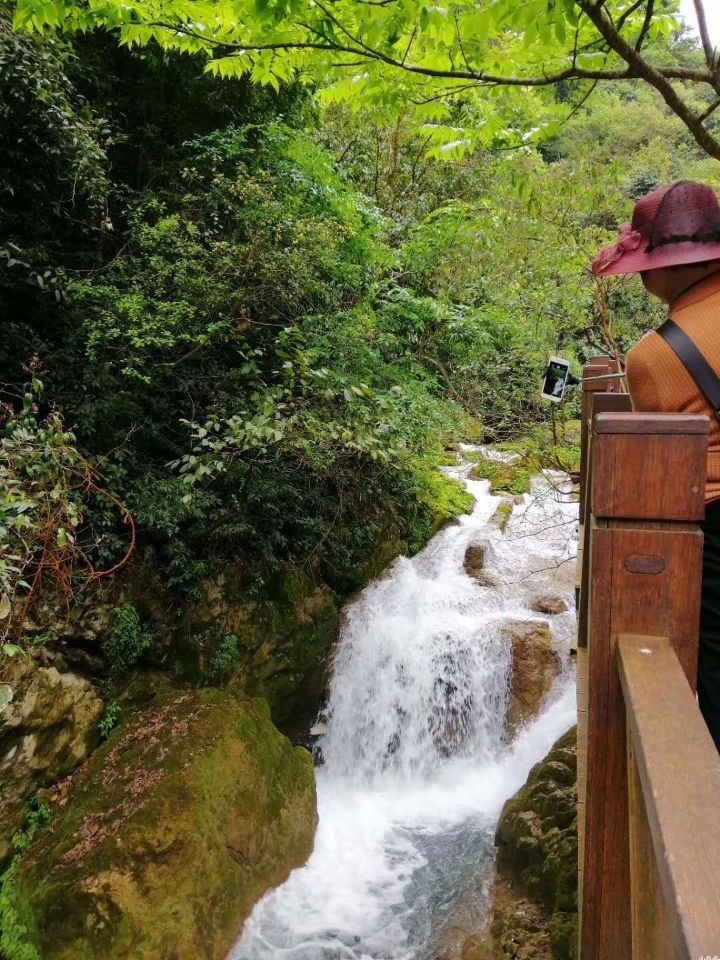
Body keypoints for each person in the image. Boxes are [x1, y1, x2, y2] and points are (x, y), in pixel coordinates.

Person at [592, 180, 720, 751]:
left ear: (674, 265)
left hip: (711, 530)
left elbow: (656, 471)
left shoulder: (653, 357)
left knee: (713, 675)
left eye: (647, 263)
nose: (641, 276)